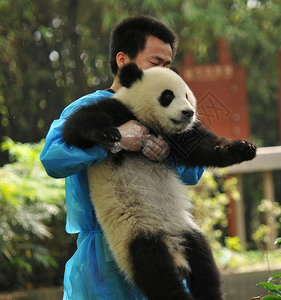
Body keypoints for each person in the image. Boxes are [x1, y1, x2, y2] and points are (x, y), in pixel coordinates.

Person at [40, 15, 204, 300]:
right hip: (102, 263)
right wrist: (113, 140)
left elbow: (194, 172)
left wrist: (168, 153)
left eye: (168, 65)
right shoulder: (89, 108)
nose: (164, 72)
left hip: (163, 252)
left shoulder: (171, 108)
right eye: (155, 63)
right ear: (122, 60)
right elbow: (53, 159)